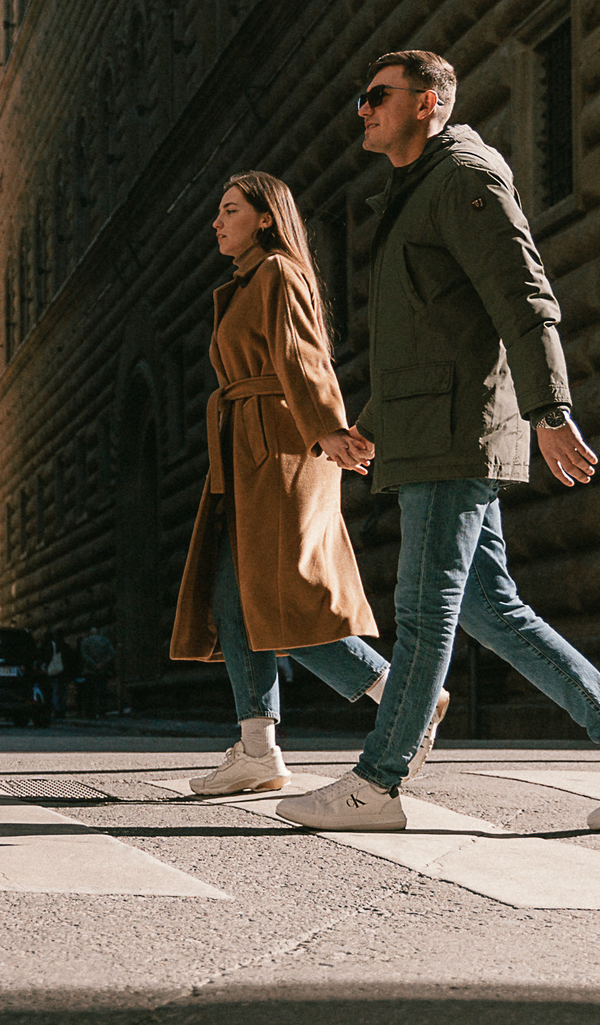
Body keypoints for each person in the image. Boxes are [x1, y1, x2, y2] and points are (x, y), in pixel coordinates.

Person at [280, 51, 600, 834]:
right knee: (488, 606)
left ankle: (378, 778)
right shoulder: (420, 184)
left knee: (427, 604)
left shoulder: (464, 177)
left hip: (455, 433)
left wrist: (551, 408)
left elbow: (524, 296)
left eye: (377, 96)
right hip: (432, 421)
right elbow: (432, 332)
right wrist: (370, 422)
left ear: (427, 101)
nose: (362, 110)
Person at [172, 171, 412, 796]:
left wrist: (328, 429)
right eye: (218, 211)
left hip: (280, 448)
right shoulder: (247, 281)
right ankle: (258, 750)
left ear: (266, 218)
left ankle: (402, 692)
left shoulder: (278, 272)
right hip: (246, 452)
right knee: (233, 599)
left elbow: (303, 355)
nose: (217, 223)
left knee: (284, 598)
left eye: (230, 210)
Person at [77, 624, 117, 719]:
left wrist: (93, 664)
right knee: (102, 691)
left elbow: (84, 655)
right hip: (102, 670)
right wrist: (102, 663)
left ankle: (91, 713)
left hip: (90, 671)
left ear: (90, 633)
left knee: (90, 692)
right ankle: (102, 711)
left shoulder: (85, 641)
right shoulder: (105, 640)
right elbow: (111, 653)